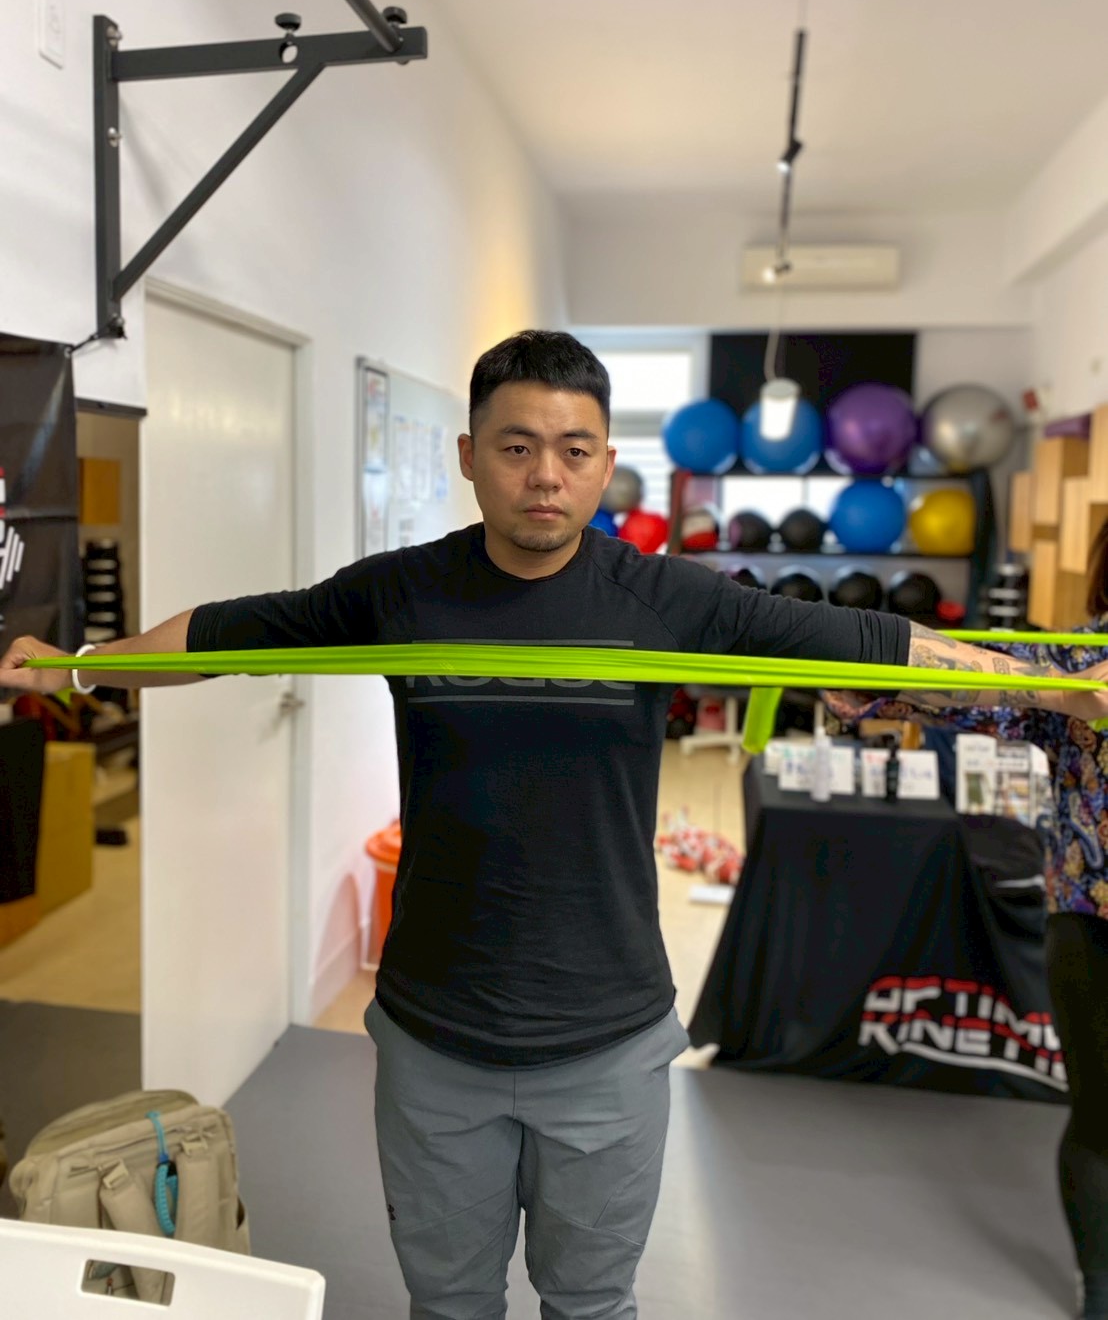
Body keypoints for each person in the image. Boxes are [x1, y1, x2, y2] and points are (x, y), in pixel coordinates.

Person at [4, 330, 1108, 1320]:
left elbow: (861, 642)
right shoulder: (403, 593)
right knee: (448, 1303)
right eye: (518, 446)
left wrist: (1051, 687)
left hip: (608, 1042)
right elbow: (230, 635)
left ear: (604, 460)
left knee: (592, 1302)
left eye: (575, 450)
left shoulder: (663, 598)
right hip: (434, 1036)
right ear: (468, 454)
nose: (547, 475)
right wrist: (81, 666)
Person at [826, 522, 1108, 1320]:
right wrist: (856, 669)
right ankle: (1102, 1288)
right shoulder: (1077, 656)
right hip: (1090, 923)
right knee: (1102, 1120)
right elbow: (965, 681)